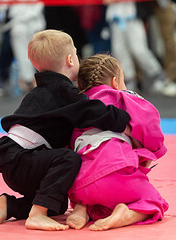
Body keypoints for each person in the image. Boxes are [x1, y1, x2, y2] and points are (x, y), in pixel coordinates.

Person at [0, 30, 131, 231]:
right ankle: (36, 215)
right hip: (25, 160)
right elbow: (92, 111)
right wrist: (124, 118)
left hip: (16, 161)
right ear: (71, 60)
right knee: (69, 159)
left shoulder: (40, 91)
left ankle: (10, 205)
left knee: (57, 204)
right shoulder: (64, 92)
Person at [66, 54, 169, 231]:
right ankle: (126, 214)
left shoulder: (76, 106)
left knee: (98, 198)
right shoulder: (122, 97)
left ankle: (82, 208)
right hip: (114, 172)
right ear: (115, 82)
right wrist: (155, 149)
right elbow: (151, 129)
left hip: (78, 186)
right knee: (154, 201)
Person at [104, 0, 171, 94]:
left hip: (133, 17)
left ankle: (158, 75)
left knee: (139, 50)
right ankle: (129, 79)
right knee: (119, 50)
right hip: (116, 18)